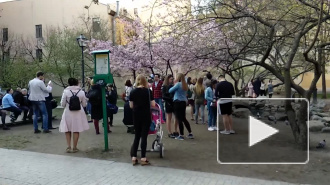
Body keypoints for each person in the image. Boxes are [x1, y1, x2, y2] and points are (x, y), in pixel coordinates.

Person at [129, 74, 155, 166]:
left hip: (136, 115)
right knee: (144, 136)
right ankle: (143, 158)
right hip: (146, 115)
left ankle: (134, 157)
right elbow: (153, 104)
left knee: (137, 136)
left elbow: (131, 106)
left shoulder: (132, 92)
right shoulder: (148, 91)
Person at [59, 78, 89, 153]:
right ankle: (74, 147)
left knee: (67, 129)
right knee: (76, 129)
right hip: (78, 113)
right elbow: (84, 104)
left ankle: (68, 147)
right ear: (77, 83)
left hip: (68, 112)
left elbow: (62, 104)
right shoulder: (81, 92)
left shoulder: (66, 91)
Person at [169, 73, 194, 140]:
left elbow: (170, 90)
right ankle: (190, 133)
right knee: (184, 118)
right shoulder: (185, 85)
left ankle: (181, 135)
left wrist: (174, 84)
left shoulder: (178, 84)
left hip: (177, 102)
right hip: (183, 102)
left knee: (179, 118)